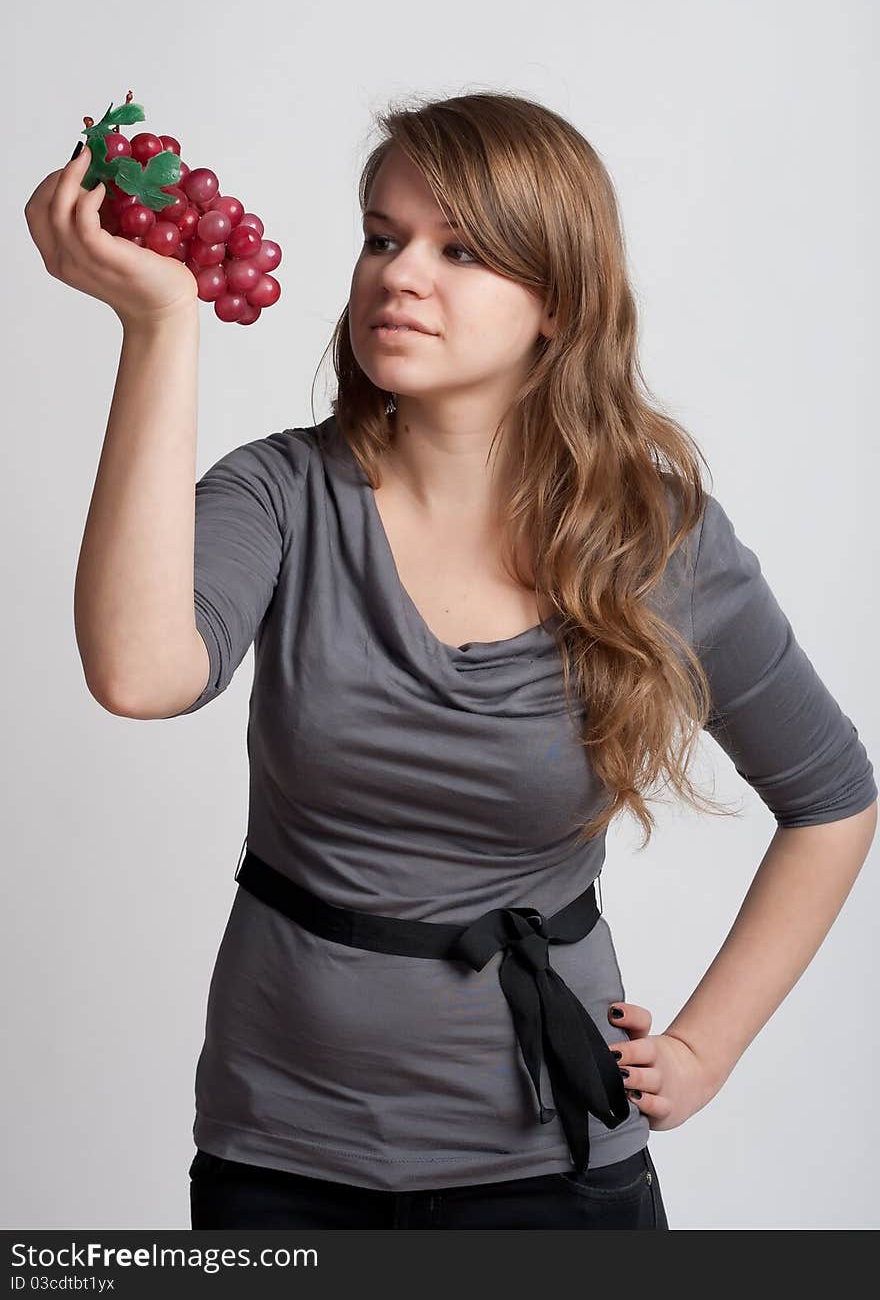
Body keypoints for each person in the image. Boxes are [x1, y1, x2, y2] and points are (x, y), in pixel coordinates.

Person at [24, 92, 877, 1231]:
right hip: (279, 1155)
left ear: (556, 304)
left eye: (461, 248)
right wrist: (158, 327)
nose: (399, 273)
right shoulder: (280, 495)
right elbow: (138, 671)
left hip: (556, 1161)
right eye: (383, 236)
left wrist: (705, 1047)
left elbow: (830, 797)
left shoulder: (656, 536)